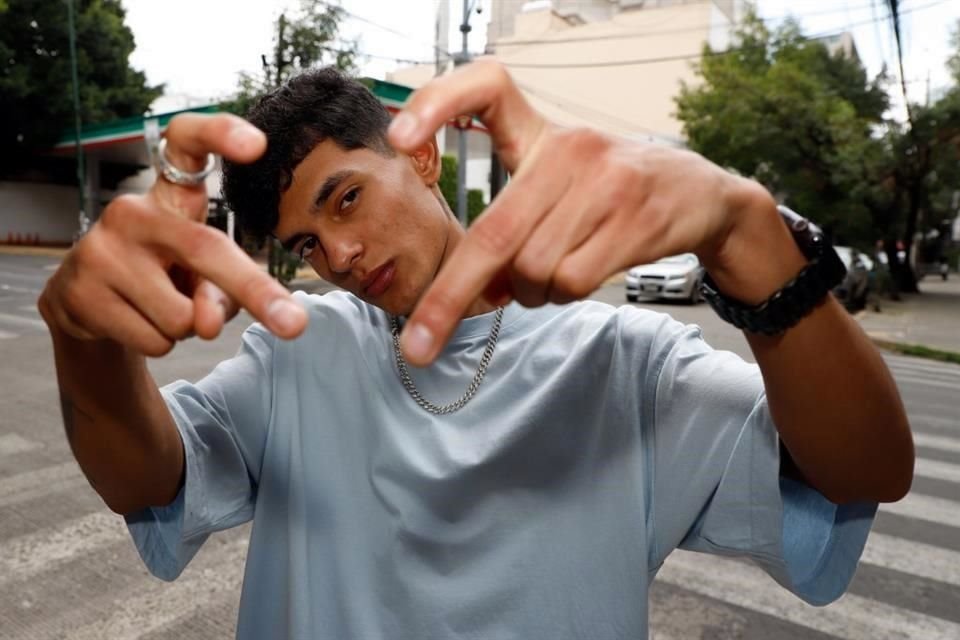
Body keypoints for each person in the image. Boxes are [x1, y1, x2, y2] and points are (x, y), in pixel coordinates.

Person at [39, 62, 913, 639]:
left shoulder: (619, 359)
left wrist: (748, 233)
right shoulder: (298, 354)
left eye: (345, 199)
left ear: (418, 160)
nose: (336, 256)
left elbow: (862, 471)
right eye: (304, 243)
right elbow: (146, 479)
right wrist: (83, 342)